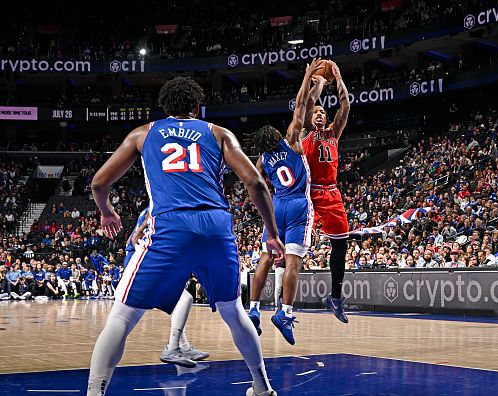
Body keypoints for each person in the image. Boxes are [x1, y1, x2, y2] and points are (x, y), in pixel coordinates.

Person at [87, 76, 283, 396]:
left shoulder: (143, 133)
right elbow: (256, 183)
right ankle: (262, 387)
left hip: (171, 226)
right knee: (233, 311)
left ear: (163, 107)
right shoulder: (219, 133)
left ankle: (95, 392)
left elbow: (98, 183)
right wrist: (272, 234)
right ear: (197, 106)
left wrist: (107, 211)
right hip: (216, 226)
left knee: (122, 316)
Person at [247, 59, 322, 345]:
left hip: (276, 206)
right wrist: (306, 78)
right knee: (293, 261)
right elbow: (301, 105)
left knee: (265, 258)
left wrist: (317, 86)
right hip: (299, 205)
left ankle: (253, 309)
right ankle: (285, 312)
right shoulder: (291, 139)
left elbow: (254, 182)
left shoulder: (263, 159)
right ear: (276, 136)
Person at [124, 207, 209, 367]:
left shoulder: (155, 208)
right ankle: (172, 348)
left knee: (178, 304)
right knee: (184, 299)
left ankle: (182, 346)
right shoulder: (161, 208)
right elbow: (139, 240)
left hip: (140, 261)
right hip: (141, 263)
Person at [302, 60, 351, 323]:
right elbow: (308, 104)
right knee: (296, 246)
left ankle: (335, 296)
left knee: (340, 245)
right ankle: (281, 301)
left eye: (323, 112)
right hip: (308, 194)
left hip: (331, 194)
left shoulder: (333, 133)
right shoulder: (305, 132)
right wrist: (319, 82)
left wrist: (339, 77)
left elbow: (345, 106)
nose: (320, 113)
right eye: (316, 112)